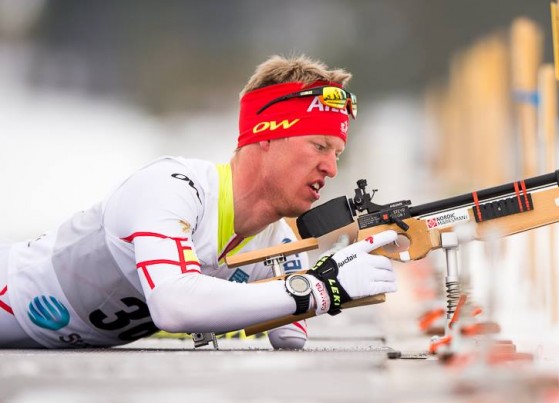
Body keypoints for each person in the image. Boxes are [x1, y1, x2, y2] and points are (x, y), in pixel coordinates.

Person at [0, 54, 398, 350]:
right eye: (319, 145)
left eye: (337, 154)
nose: (330, 167)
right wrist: (317, 288)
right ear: (266, 135)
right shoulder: (173, 186)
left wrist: (343, 269)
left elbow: (289, 337)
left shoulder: (278, 242)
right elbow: (173, 306)